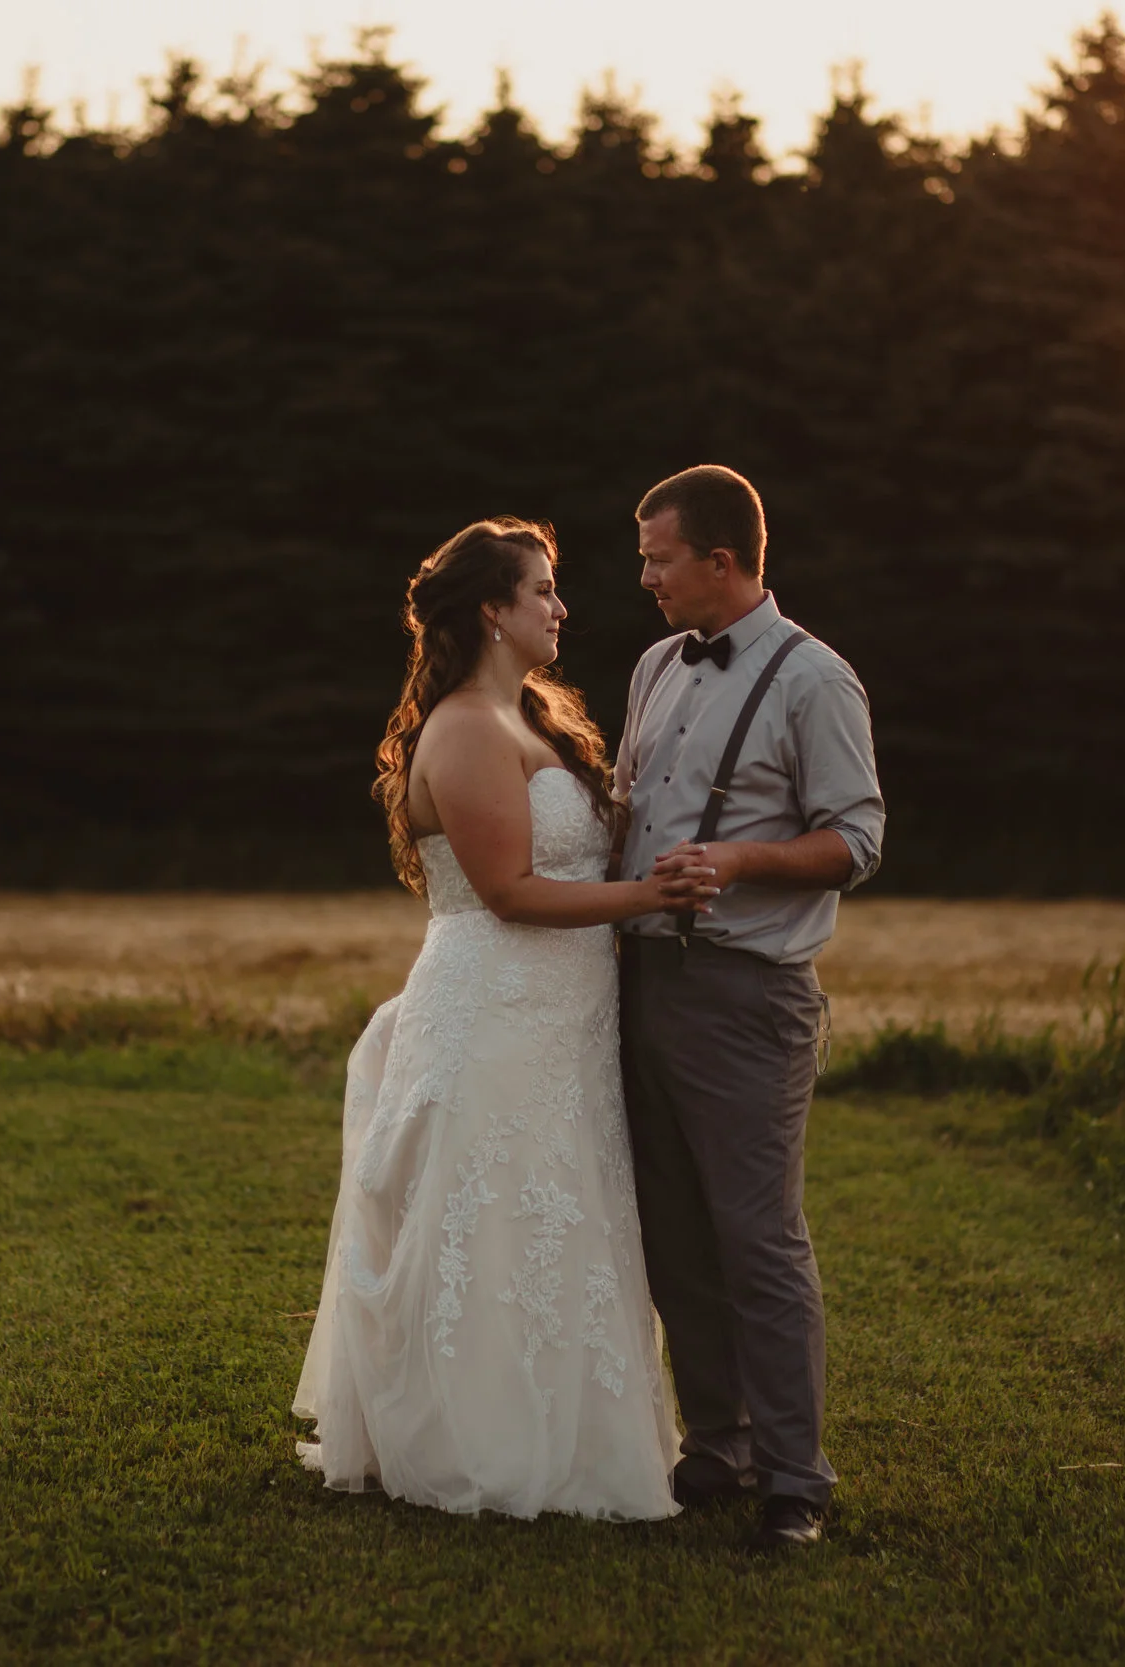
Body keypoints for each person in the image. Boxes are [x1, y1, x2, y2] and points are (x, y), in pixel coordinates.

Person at [294, 516, 709, 1520]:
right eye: (543, 589)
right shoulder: (469, 728)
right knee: (490, 1219)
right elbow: (510, 891)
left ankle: (571, 1438)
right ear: (491, 608)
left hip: (561, 1018)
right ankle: (479, 1442)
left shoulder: (532, 717)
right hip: (493, 1009)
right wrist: (651, 898)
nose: (561, 607)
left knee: (559, 1212)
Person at [617, 465, 887, 1551]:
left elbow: (857, 840)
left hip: (747, 993)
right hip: (640, 983)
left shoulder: (816, 678)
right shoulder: (652, 665)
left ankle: (793, 1477)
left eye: (658, 559)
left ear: (720, 561)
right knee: (674, 1235)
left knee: (757, 1240)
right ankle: (717, 1443)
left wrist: (736, 859)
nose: (644, 578)